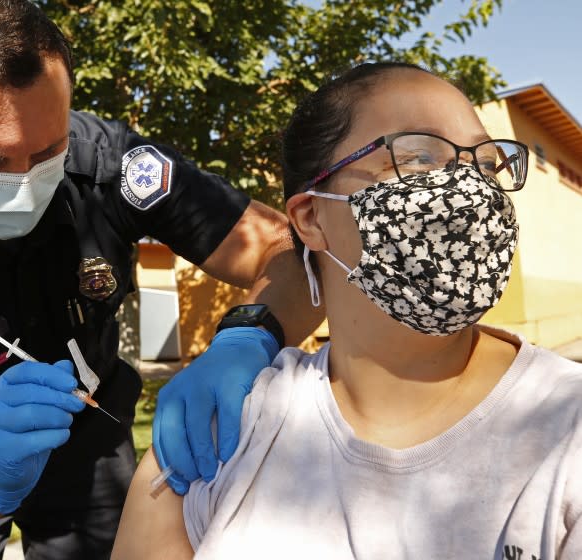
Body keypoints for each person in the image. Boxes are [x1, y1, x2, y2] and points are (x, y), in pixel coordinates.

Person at [0, 1, 319, 558]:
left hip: (89, 438)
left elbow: (291, 250)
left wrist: (250, 335)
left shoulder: (113, 165)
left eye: (47, 152)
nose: (24, 186)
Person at [111, 62, 582, 559]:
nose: (468, 188)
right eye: (417, 156)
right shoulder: (218, 435)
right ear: (311, 217)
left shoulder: (565, 429)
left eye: (486, 163)